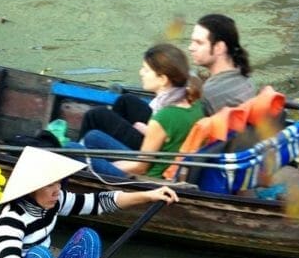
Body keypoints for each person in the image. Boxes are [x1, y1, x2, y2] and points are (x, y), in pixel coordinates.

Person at [0, 146, 178, 258]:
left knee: (88, 236)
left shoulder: (55, 202)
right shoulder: (12, 218)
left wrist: (148, 195)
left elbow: (99, 202)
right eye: (49, 185)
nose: (56, 190)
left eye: (59, 183)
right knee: (38, 255)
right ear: (32, 189)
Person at [68, 44, 204, 178]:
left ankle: (84, 175)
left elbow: (140, 167)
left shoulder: (164, 117)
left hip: (147, 177)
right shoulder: (194, 104)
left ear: (163, 79)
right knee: (93, 136)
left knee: (71, 149)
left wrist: (106, 165)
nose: (141, 73)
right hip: (156, 163)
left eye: (146, 70)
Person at [188, 14, 256, 115]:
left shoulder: (207, 95)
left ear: (219, 47)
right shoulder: (247, 80)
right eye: (192, 41)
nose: (191, 48)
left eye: (199, 43)